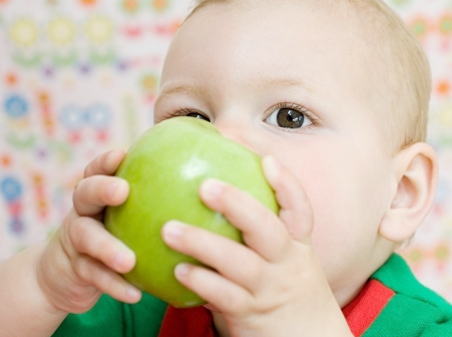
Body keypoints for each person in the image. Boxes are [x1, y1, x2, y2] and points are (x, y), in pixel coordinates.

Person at [1, 0, 451, 336]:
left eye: (289, 116)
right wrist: (44, 286)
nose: (223, 138)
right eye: (194, 118)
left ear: (401, 193)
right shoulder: (133, 300)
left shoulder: (424, 327)